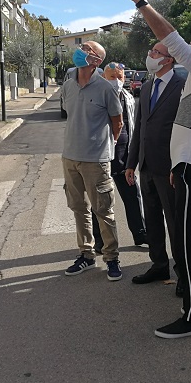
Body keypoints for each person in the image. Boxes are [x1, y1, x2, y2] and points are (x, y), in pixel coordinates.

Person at [115, 0, 191, 339]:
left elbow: (170, 36)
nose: (190, 43)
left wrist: (139, 0)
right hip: (189, 168)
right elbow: (185, 127)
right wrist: (175, 166)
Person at [61, 41, 124, 281]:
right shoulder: (68, 85)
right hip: (70, 158)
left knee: (103, 211)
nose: (80, 50)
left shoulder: (106, 88)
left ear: (96, 60)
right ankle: (86, 255)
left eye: (86, 48)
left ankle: (112, 258)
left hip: (96, 161)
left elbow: (117, 123)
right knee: (78, 209)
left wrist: (105, 147)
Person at [125, 42, 186, 286]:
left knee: (174, 222)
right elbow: (140, 126)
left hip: (169, 168)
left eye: (156, 52)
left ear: (169, 60)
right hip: (146, 165)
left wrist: (178, 165)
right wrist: (131, 162)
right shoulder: (148, 85)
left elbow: (185, 130)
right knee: (152, 220)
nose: (150, 55)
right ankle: (159, 265)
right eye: (151, 51)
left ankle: (184, 274)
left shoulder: (182, 87)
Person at [91, 62, 147, 251]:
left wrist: (134, 156)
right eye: (112, 77)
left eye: (120, 77)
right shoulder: (98, 96)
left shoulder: (128, 97)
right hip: (102, 156)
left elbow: (132, 126)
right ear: (104, 78)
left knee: (133, 196)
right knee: (100, 200)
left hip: (124, 157)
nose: (116, 81)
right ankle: (99, 240)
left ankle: (140, 234)